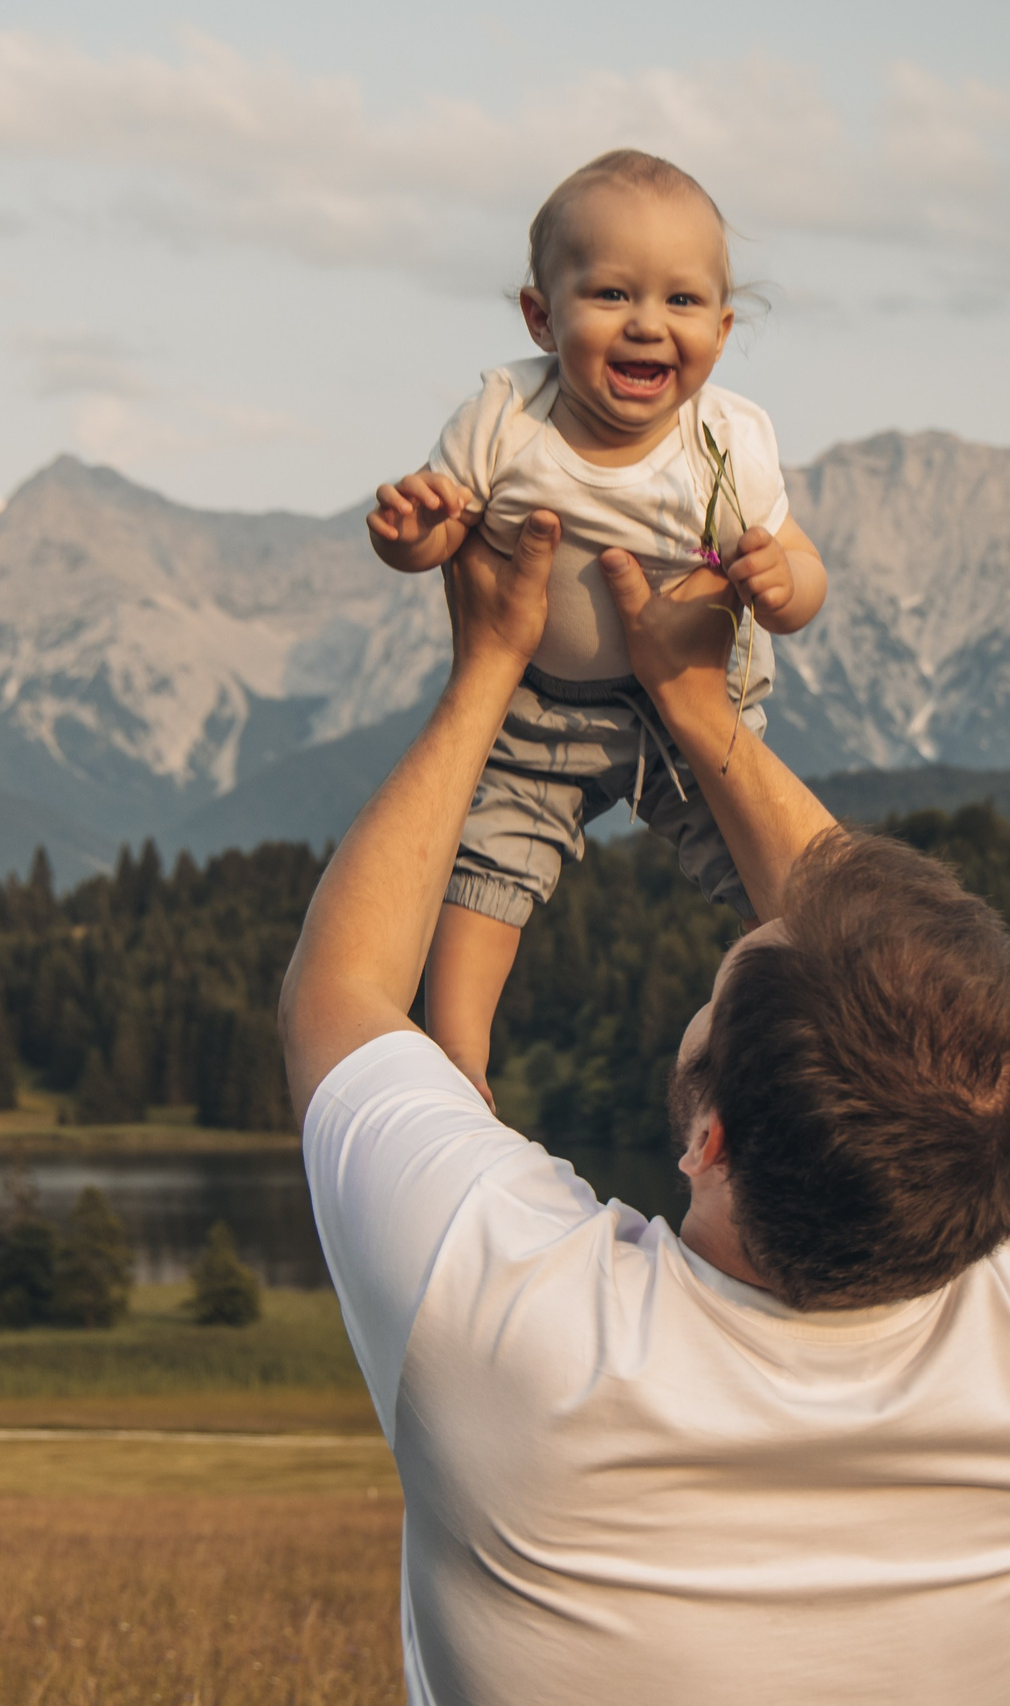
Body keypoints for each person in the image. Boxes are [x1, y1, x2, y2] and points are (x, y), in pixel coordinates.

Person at [280, 513, 1010, 1704]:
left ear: (708, 1135)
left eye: (726, 979)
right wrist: (697, 705)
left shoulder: (519, 1330)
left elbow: (338, 995)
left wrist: (486, 671)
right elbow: (917, 999)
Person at [364, 149, 829, 1105]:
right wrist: (412, 537)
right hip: (541, 710)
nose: (648, 322)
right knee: (487, 869)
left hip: (695, 711)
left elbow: (802, 564)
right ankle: (459, 1068)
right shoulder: (505, 417)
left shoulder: (729, 440)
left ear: (723, 330)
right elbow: (448, 535)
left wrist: (783, 587)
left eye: (682, 300)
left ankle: (811, 1051)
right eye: (612, 293)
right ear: (542, 317)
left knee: (771, 879)